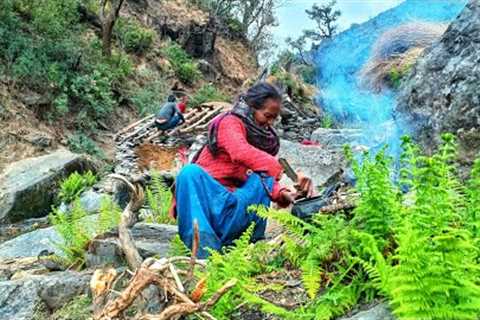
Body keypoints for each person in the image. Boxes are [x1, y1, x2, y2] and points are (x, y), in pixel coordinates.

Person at [173, 82, 313, 258]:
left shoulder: (265, 140)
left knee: (263, 175)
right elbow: (240, 152)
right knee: (189, 173)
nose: (269, 123)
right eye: (267, 116)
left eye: (274, 119)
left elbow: (263, 178)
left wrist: (285, 193)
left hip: (237, 207)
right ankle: (202, 253)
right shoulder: (229, 122)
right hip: (210, 202)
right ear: (252, 108)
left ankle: (242, 249)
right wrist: (286, 172)